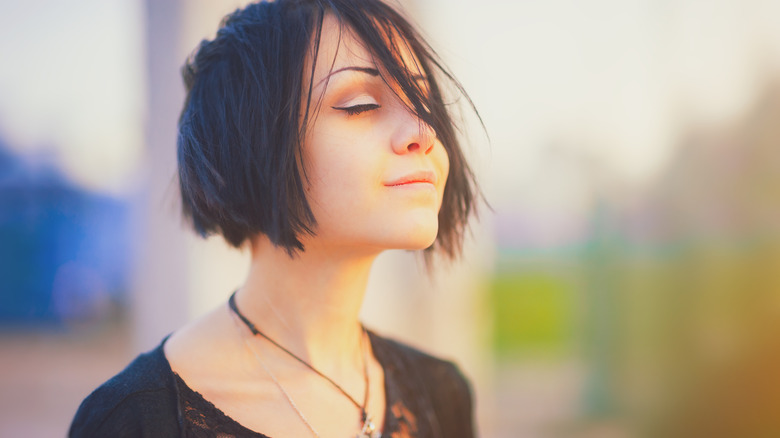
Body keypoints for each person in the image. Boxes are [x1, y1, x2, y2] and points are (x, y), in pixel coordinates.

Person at [70, 0, 481, 436]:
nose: (423, 130)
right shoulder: (132, 419)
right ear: (253, 142)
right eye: (361, 104)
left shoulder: (442, 395)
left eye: (423, 101)